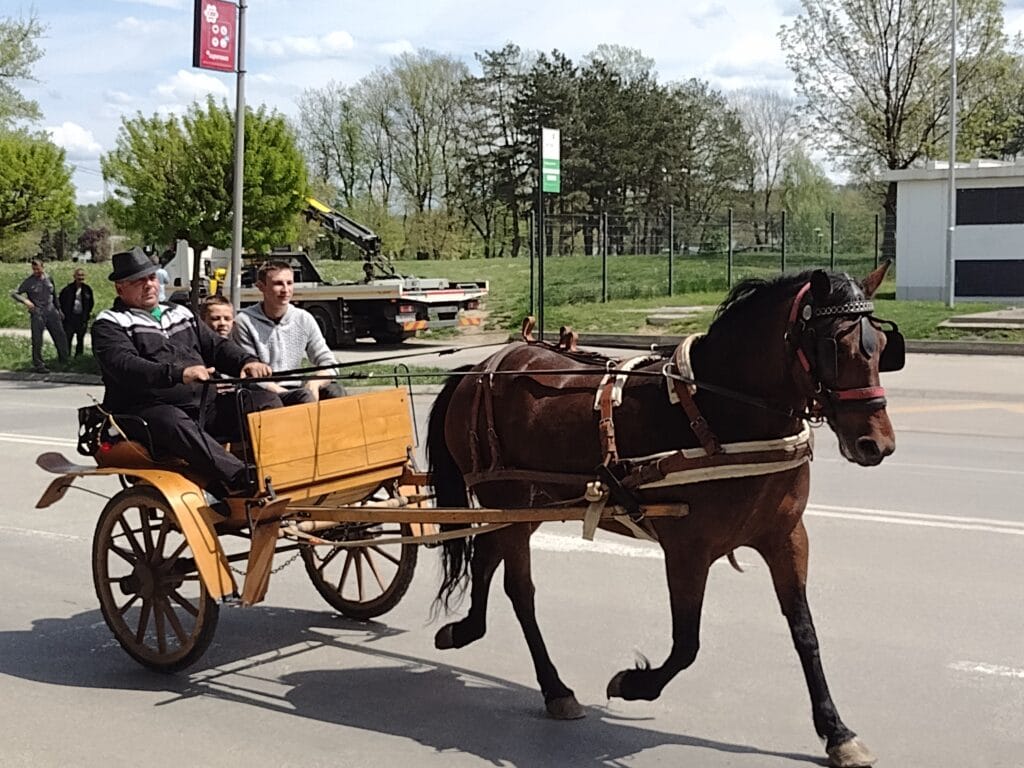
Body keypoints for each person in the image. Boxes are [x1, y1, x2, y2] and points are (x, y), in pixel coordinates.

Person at [91, 247, 277, 499]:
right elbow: (125, 365)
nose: (149, 285)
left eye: (152, 277)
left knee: (265, 401)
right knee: (172, 420)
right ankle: (240, 479)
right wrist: (179, 374)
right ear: (120, 288)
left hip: (203, 405)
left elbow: (217, 347)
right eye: (138, 281)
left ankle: (279, 471)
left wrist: (246, 361)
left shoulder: (181, 313)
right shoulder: (110, 323)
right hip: (145, 412)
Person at [233, 260, 346, 406]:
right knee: (301, 397)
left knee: (336, 392)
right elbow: (250, 375)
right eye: (278, 284)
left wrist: (314, 383)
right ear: (261, 287)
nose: (285, 289)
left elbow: (328, 362)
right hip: (264, 392)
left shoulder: (303, 318)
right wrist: (285, 393)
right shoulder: (244, 321)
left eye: (290, 283)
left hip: (298, 388)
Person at [10, 258, 70, 373]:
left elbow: (54, 294)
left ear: (43, 267)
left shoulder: (49, 278)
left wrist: (59, 309)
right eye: (34, 269)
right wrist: (25, 301)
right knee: (37, 340)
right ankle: (39, 364)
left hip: (51, 311)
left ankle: (64, 361)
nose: (36, 271)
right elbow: (15, 293)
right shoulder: (29, 281)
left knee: (60, 336)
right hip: (38, 313)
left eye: (38, 269)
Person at [58, 268, 95, 357]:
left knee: (80, 339)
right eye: (78, 275)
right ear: (74, 276)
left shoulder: (87, 289)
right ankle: (66, 357)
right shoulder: (67, 289)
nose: (80, 278)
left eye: (82, 275)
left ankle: (79, 358)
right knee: (68, 339)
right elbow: (60, 302)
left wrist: (87, 314)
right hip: (69, 318)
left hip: (81, 318)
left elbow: (91, 303)